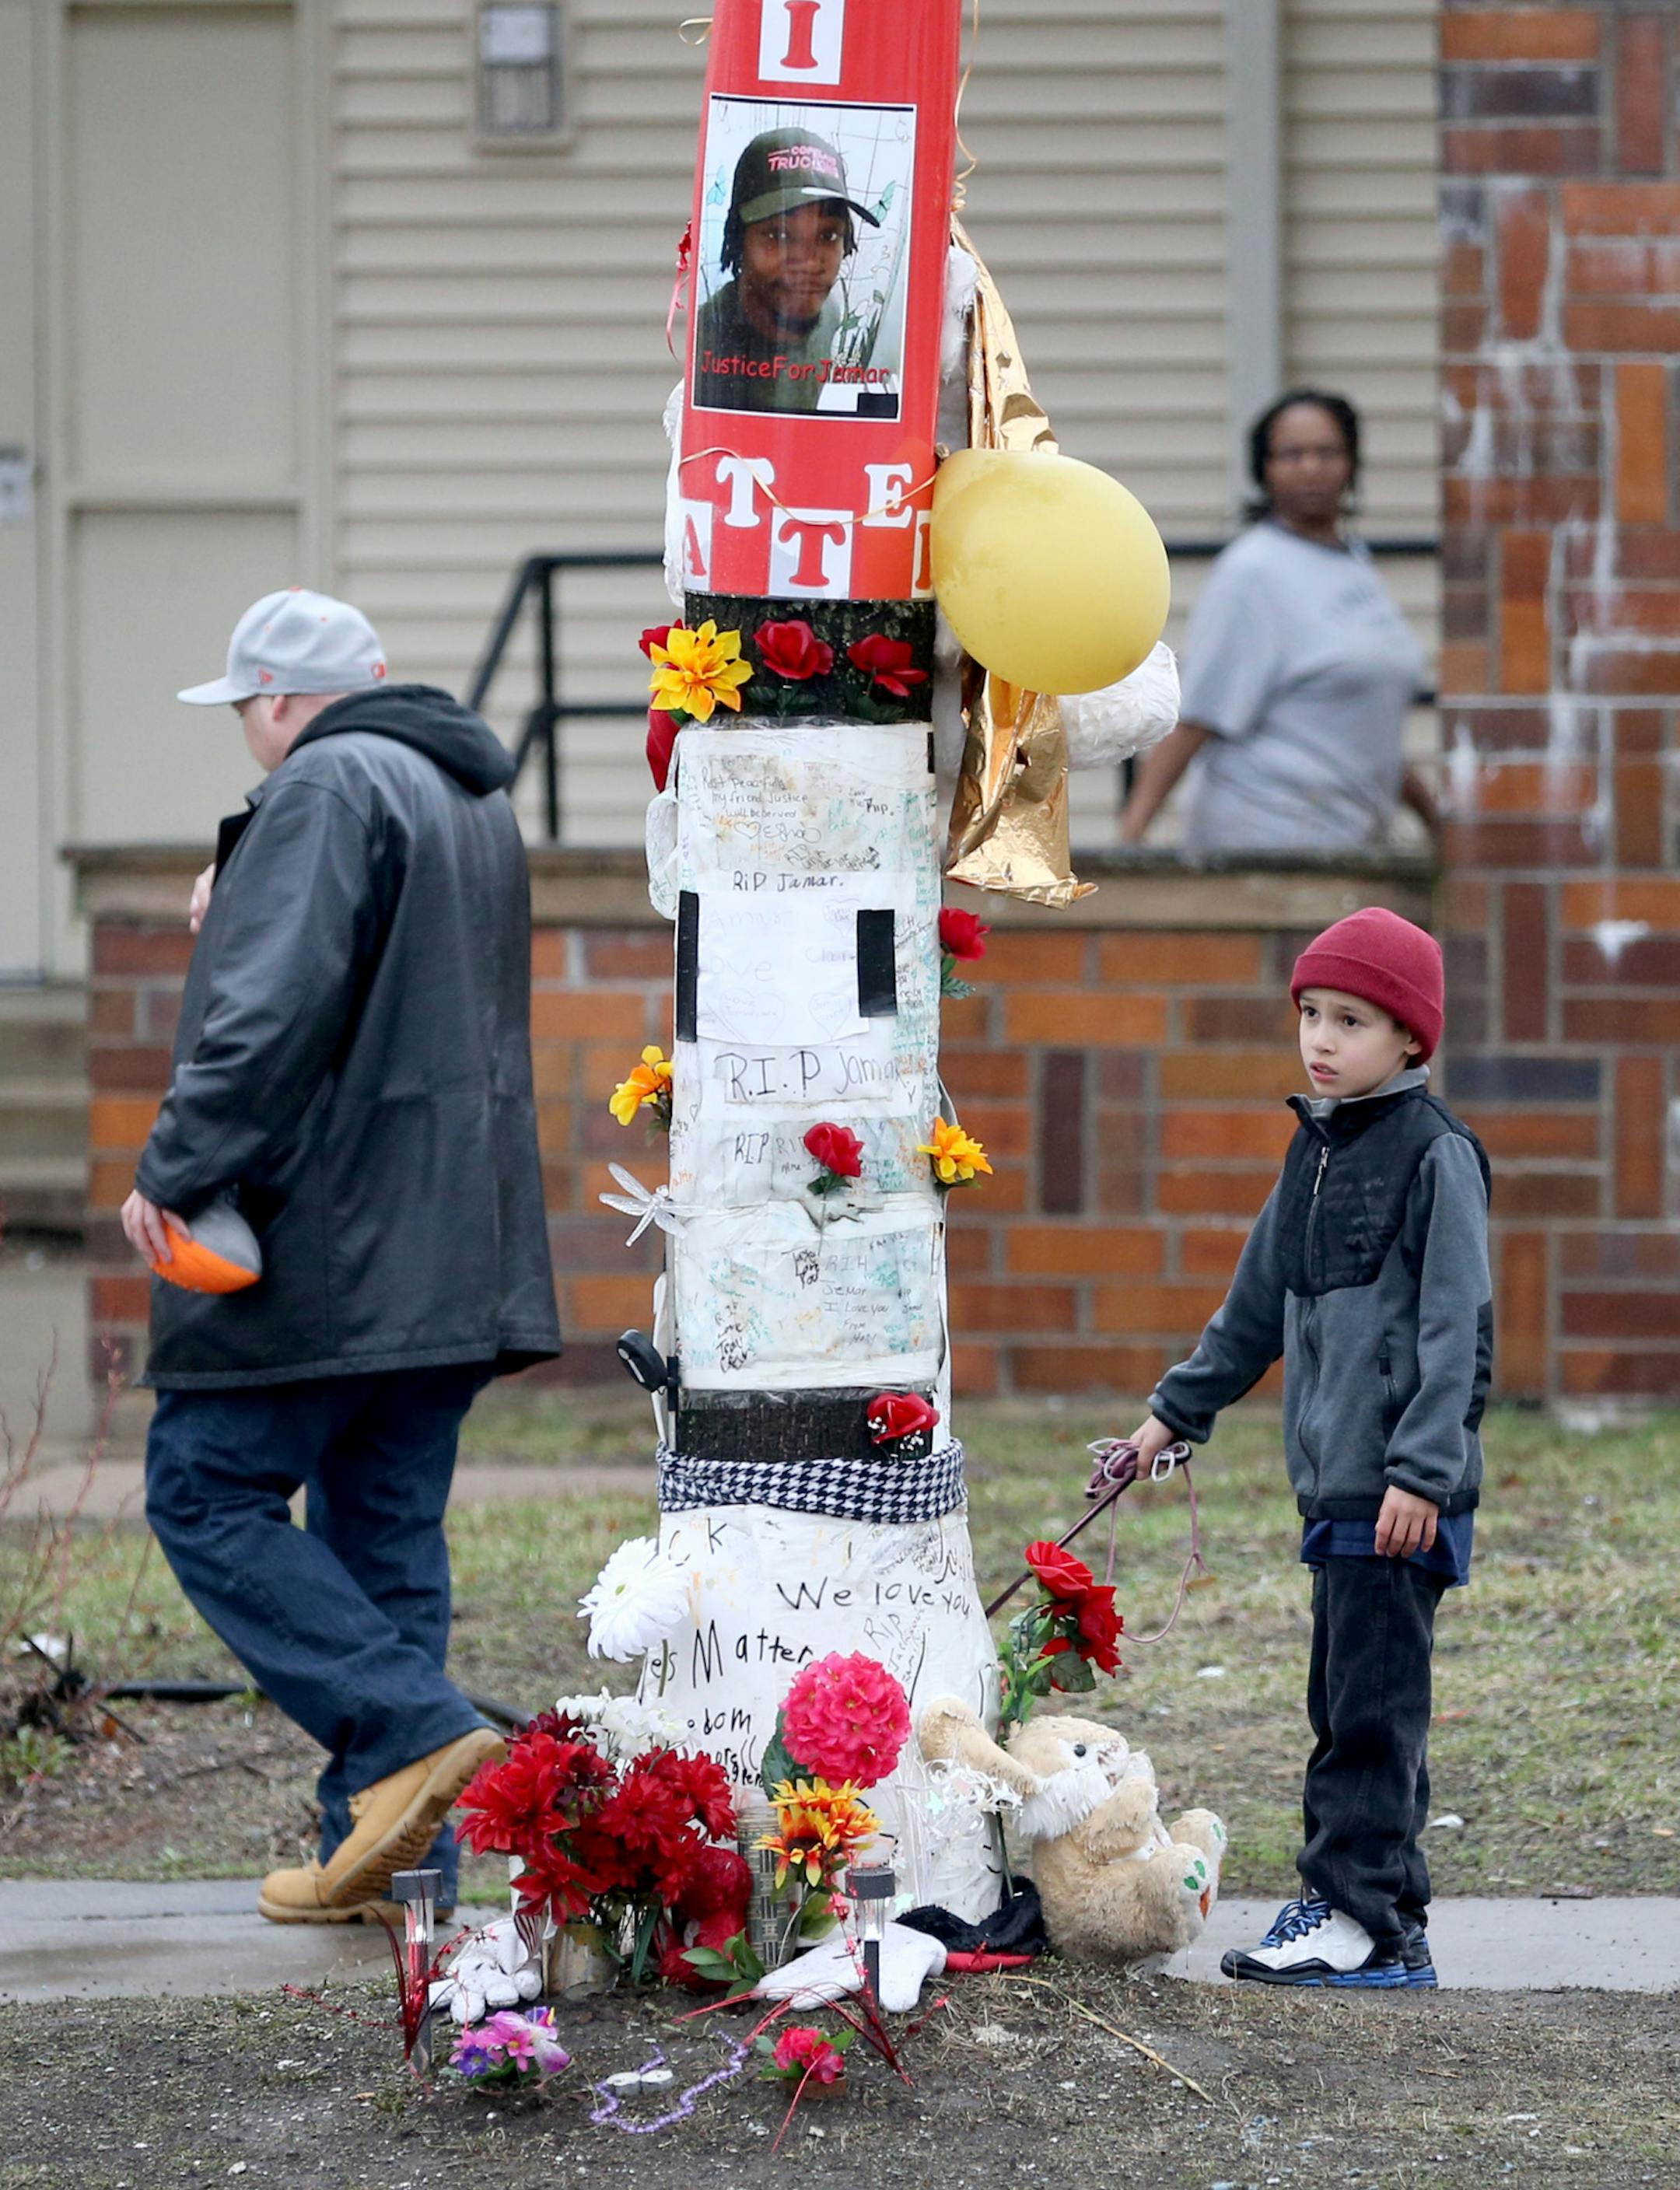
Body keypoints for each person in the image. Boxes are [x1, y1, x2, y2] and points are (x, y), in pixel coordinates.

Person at [121, 588, 561, 1924]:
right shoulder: (466, 795)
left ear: (275, 702)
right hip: (458, 1250)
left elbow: (270, 1014)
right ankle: (393, 1863)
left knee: (204, 1490)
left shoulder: (323, 784)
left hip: (333, 1239)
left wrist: (175, 1168)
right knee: (383, 1529)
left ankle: (408, 1725)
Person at [1123, 907, 1492, 1988]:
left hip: (1399, 1496)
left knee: (1372, 1717)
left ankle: (1363, 1921)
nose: (1322, 1040)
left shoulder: (1437, 1156)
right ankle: (1365, 1911)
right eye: (1312, 1016)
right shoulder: (1317, 1149)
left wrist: (1423, 1472)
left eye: (1353, 1021)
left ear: (1413, 1040)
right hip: (1335, 1490)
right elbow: (1252, 1309)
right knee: (1343, 1703)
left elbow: (1456, 1327)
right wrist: (1171, 1415)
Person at [1118, 389, 1437, 855]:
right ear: (1263, 469)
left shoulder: (1354, 564)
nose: (1311, 467)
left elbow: (1363, 730)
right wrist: (1129, 841)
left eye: (1327, 452)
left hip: (1354, 842)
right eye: (1292, 455)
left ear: (1352, 463)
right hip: (1270, 843)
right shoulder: (1252, 572)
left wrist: (1438, 822)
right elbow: (1196, 717)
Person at [692, 126, 881, 415]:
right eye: (779, 236)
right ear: (737, 239)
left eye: (828, 236)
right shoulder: (703, 343)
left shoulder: (830, 315)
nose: (807, 262)